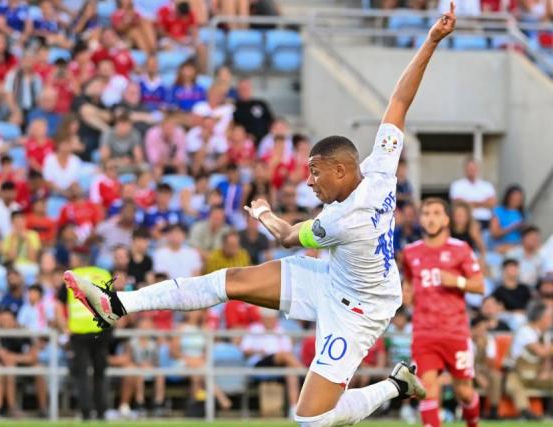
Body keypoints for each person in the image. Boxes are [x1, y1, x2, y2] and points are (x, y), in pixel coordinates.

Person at [64, 8, 457, 425]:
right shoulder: (380, 168)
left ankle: (395, 386)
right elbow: (399, 100)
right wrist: (430, 41)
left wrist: (267, 214)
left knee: (310, 421)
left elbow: (288, 236)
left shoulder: (343, 221)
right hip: (331, 278)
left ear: (341, 170)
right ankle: (117, 304)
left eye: (315, 171)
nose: (309, 181)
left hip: (361, 310)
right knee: (228, 282)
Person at [401, 198, 485, 427]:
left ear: (446, 219)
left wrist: (456, 280)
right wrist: (407, 294)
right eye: (426, 213)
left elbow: (479, 285)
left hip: (455, 332)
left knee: (465, 393)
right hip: (424, 332)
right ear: (420, 219)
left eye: (437, 213)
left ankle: (473, 423)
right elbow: (409, 282)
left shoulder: (461, 249)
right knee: (427, 389)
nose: (431, 218)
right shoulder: (410, 252)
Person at [60, 264, 113, 420]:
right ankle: (102, 411)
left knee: (82, 373)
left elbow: (60, 302)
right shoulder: (103, 273)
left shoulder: (71, 275)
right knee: (100, 372)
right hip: (101, 330)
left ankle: (85, 412)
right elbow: (113, 301)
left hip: (79, 332)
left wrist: (64, 326)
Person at [504, 302, 553, 421]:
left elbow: (546, 358)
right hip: (518, 373)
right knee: (513, 384)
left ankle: (550, 412)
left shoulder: (546, 334)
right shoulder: (525, 331)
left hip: (536, 374)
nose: (551, 320)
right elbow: (541, 352)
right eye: (549, 317)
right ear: (541, 317)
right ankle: (526, 413)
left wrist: (545, 371)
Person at [449, 158, 496, 231]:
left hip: (485, 221)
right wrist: (482, 203)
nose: (471, 171)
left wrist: (468, 203)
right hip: (465, 222)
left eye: (473, 168)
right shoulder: (457, 185)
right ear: (465, 169)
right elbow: (457, 203)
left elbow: (492, 203)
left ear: (478, 169)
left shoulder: (487, 185)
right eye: (469, 168)